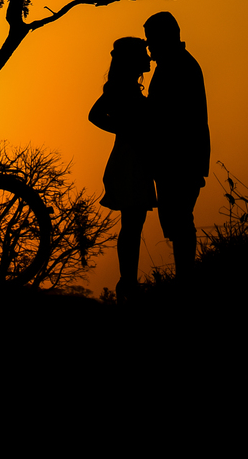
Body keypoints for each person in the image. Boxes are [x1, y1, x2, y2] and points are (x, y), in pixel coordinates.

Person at [88, 36, 156, 300]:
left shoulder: (127, 86)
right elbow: (94, 115)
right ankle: (127, 284)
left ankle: (128, 283)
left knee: (133, 224)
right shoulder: (120, 87)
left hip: (133, 159)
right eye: (142, 53)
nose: (148, 58)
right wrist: (125, 130)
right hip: (129, 161)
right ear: (132, 59)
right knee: (132, 224)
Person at [144, 10, 209, 275]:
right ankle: (185, 278)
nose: (149, 49)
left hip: (180, 159)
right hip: (176, 159)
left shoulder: (178, 66)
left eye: (151, 40)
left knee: (180, 221)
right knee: (177, 221)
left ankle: (185, 279)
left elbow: (170, 116)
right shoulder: (175, 64)